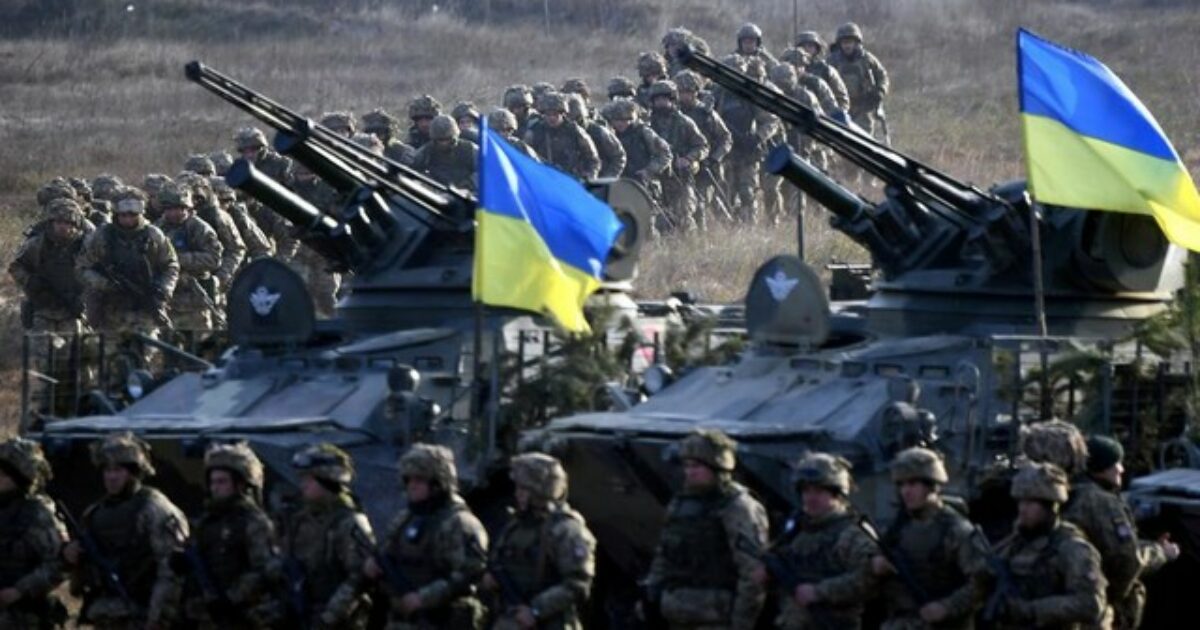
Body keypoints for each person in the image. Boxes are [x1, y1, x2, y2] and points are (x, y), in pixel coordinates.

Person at [644, 429, 768, 630]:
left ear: (718, 467)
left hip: (717, 617)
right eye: (687, 466)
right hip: (676, 613)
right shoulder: (681, 504)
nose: (690, 472)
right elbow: (664, 554)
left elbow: (753, 573)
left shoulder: (736, 507)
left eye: (697, 466)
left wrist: (741, 622)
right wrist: (651, 592)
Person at [63, 432, 189, 629]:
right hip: (103, 614)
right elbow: (78, 577)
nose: (111, 477)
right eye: (107, 470)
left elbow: (170, 570)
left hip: (141, 613)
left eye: (118, 470)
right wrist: (71, 555)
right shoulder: (94, 513)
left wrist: (157, 619)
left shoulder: (154, 509)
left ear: (134, 473)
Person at [364, 444, 489, 629]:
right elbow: (386, 553)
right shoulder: (406, 518)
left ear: (438, 483)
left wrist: (424, 597)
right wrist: (373, 566)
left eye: (419, 479)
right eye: (408, 479)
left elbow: (470, 574)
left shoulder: (458, 523)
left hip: (440, 620)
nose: (411, 485)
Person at [1064, 436, 1179, 630]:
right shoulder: (1102, 501)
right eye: (1115, 463)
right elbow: (1127, 559)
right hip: (1097, 609)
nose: (1121, 469)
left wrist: (1149, 545)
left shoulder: (1067, 491)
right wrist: (1161, 552)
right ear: (1101, 467)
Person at [871, 447, 989, 629]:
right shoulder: (897, 528)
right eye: (901, 485)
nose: (906, 491)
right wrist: (876, 566)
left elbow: (982, 582)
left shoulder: (956, 529)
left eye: (913, 484)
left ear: (932, 485)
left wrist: (946, 607)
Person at [757, 452, 874, 629]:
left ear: (837, 494)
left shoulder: (852, 534)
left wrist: (820, 592)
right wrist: (768, 576)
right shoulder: (796, 532)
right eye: (806, 490)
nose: (810, 498)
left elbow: (869, 579)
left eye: (819, 491)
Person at [483, 453, 595, 630]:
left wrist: (536, 610)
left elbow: (578, 584)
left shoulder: (566, 530)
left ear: (539, 491)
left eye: (523, 489)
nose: (517, 494)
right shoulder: (516, 525)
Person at [992, 462, 1107, 629]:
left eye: (1031, 503)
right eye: (1021, 502)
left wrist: (1032, 610)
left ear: (1051, 507)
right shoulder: (1016, 542)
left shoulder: (1072, 548)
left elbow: (1091, 604)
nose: (1023, 509)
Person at [177, 442, 278, 629]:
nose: (215, 488)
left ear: (240, 484)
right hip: (206, 615)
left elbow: (264, 569)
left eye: (222, 482)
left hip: (243, 615)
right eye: (212, 482)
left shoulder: (253, 522)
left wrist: (232, 597)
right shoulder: (207, 521)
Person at [276, 443, 374, 628]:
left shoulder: (348, 522)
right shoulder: (300, 519)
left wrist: (328, 617)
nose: (303, 484)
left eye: (309, 479)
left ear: (328, 482)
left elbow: (360, 577)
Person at [77, 188, 179, 334]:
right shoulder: (101, 236)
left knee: (147, 346)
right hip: (109, 308)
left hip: (145, 307)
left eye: (133, 215)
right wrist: (104, 284)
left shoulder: (153, 235)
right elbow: (83, 267)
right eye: (123, 215)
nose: (128, 220)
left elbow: (170, 265)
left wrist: (164, 289)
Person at [0, 437, 68, 629]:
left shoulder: (36, 513)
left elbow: (59, 563)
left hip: (23, 616)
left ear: (18, 478)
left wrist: (19, 590)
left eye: (3, 474)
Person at [10, 198, 89, 334]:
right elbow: (16, 267)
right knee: (39, 345)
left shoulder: (84, 246)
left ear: (75, 224)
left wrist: (85, 298)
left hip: (71, 310)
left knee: (74, 346)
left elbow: (96, 273)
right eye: (59, 222)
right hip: (43, 309)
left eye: (67, 223)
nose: (62, 226)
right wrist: (29, 280)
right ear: (51, 223)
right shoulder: (37, 244)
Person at [155, 183, 223, 332]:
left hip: (194, 299)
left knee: (200, 341)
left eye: (179, 209)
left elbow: (214, 259)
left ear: (187, 208)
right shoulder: (158, 229)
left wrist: (179, 259)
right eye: (170, 209)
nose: (174, 213)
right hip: (167, 299)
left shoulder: (200, 228)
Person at [648, 80, 709, 232]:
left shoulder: (684, 122)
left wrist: (688, 158)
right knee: (660, 219)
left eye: (664, 99)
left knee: (684, 216)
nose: (661, 103)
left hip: (680, 175)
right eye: (657, 99)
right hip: (657, 177)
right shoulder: (648, 124)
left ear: (672, 99)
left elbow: (702, 145)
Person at [675, 69, 732, 223]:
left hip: (706, 164)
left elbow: (726, 138)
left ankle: (724, 227)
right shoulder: (674, 114)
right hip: (683, 165)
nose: (684, 96)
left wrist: (715, 158)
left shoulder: (706, 113)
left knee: (704, 202)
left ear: (696, 91)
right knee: (687, 203)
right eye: (680, 92)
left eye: (688, 92)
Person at [826, 22, 890, 137]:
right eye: (844, 42)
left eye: (850, 42)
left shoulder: (867, 59)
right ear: (839, 44)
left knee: (864, 139)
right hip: (840, 107)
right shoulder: (832, 61)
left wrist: (880, 91)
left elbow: (882, 76)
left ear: (856, 43)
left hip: (863, 108)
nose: (847, 46)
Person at [601, 99, 671, 202]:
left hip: (641, 184)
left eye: (624, 120)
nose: (620, 124)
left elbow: (665, 154)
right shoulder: (608, 135)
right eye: (617, 120)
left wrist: (648, 171)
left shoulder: (643, 132)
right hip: (616, 185)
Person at [524, 93, 600, 180]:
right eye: (548, 114)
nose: (552, 118)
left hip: (571, 179)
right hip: (544, 178)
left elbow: (593, 159)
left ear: (562, 113)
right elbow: (524, 156)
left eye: (555, 114)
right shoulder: (535, 131)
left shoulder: (575, 131)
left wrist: (589, 176)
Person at [564, 93, 626, 179]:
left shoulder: (599, 132)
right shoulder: (561, 131)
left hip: (598, 179)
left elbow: (619, 156)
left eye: (577, 119)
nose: (574, 123)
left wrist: (608, 177)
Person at [410, 115, 479, 191]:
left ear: (454, 136)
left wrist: (470, 184)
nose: (444, 143)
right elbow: (412, 170)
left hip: (467, 193)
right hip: (437, 193)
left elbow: (484, 172)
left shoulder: (470, 149)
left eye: (447, 139)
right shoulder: (427, 151)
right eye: (440, 140)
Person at [794, 31, 850, 112]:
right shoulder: (791, 70)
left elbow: (842, 99)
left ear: (817, 49)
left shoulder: (826, 70)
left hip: (823, 115)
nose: (806, 49)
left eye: (810, 46)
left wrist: (837, 114)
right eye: (803, 46)